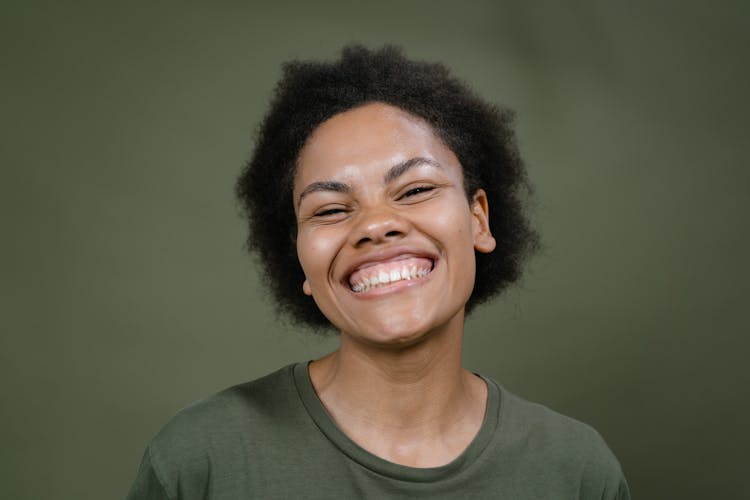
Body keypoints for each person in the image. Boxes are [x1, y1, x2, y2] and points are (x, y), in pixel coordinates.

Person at [126, 45, 630, 499]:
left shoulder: (575, 470)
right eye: (329, 209)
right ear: (300, 259)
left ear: (478, 219)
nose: (376, 225)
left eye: (414, 190)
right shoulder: (200, 462)